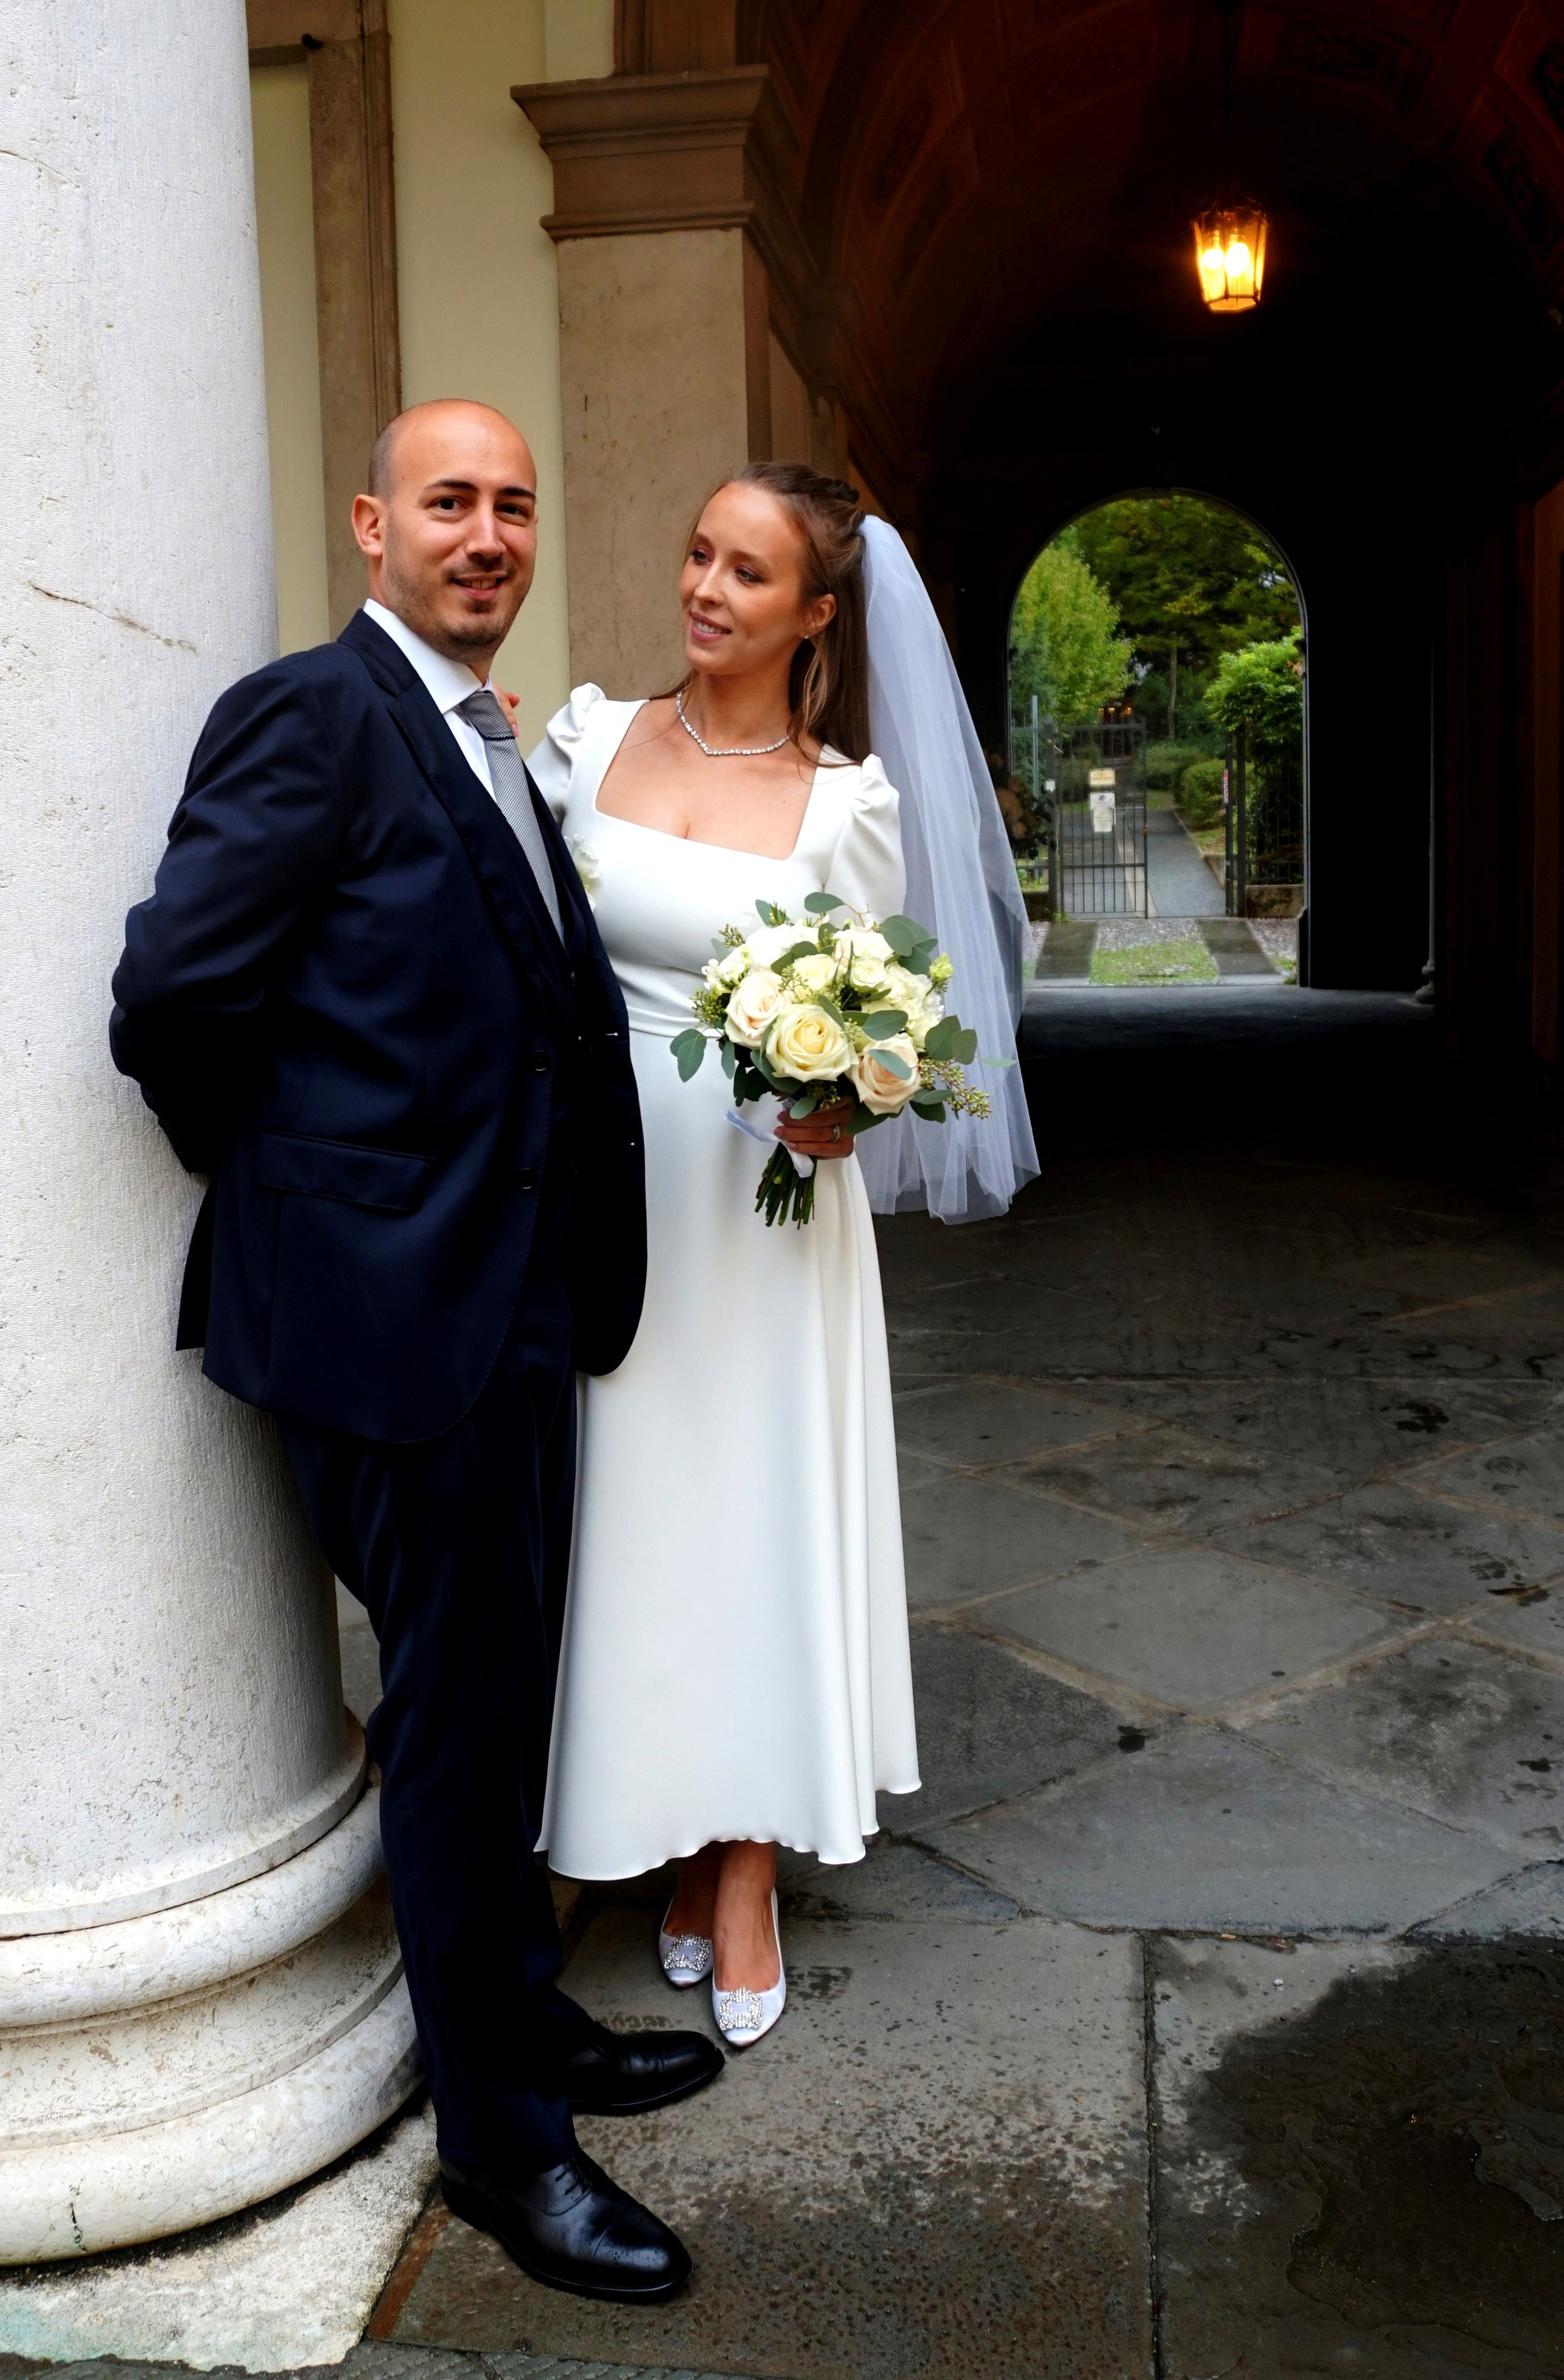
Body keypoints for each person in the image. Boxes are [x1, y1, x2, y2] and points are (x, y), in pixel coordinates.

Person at [109, 399, 721, 2306]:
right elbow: (171, 998)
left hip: (517, 1303)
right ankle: (499, 2148)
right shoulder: (311, 711)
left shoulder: (484, 733)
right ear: (371, 524)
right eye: (448, 502)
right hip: (395, 1315)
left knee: (501, 1689)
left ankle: (519, 2021)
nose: (486, 533)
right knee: (453, 1732)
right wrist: (318, 1192)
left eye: (513, 505)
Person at [527, 464, 1036, 2048]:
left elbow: (878, 1025)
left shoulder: (844, 808)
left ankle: (739, 1863)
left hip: (756, 1216)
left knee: (748, 1515)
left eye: (745, 573)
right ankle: (646, 1823)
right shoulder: (583, 740)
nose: (704, 589)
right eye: (694, 553)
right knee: (621, 1516)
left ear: (814, 614)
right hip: (594, 1202)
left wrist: (844, 1096)